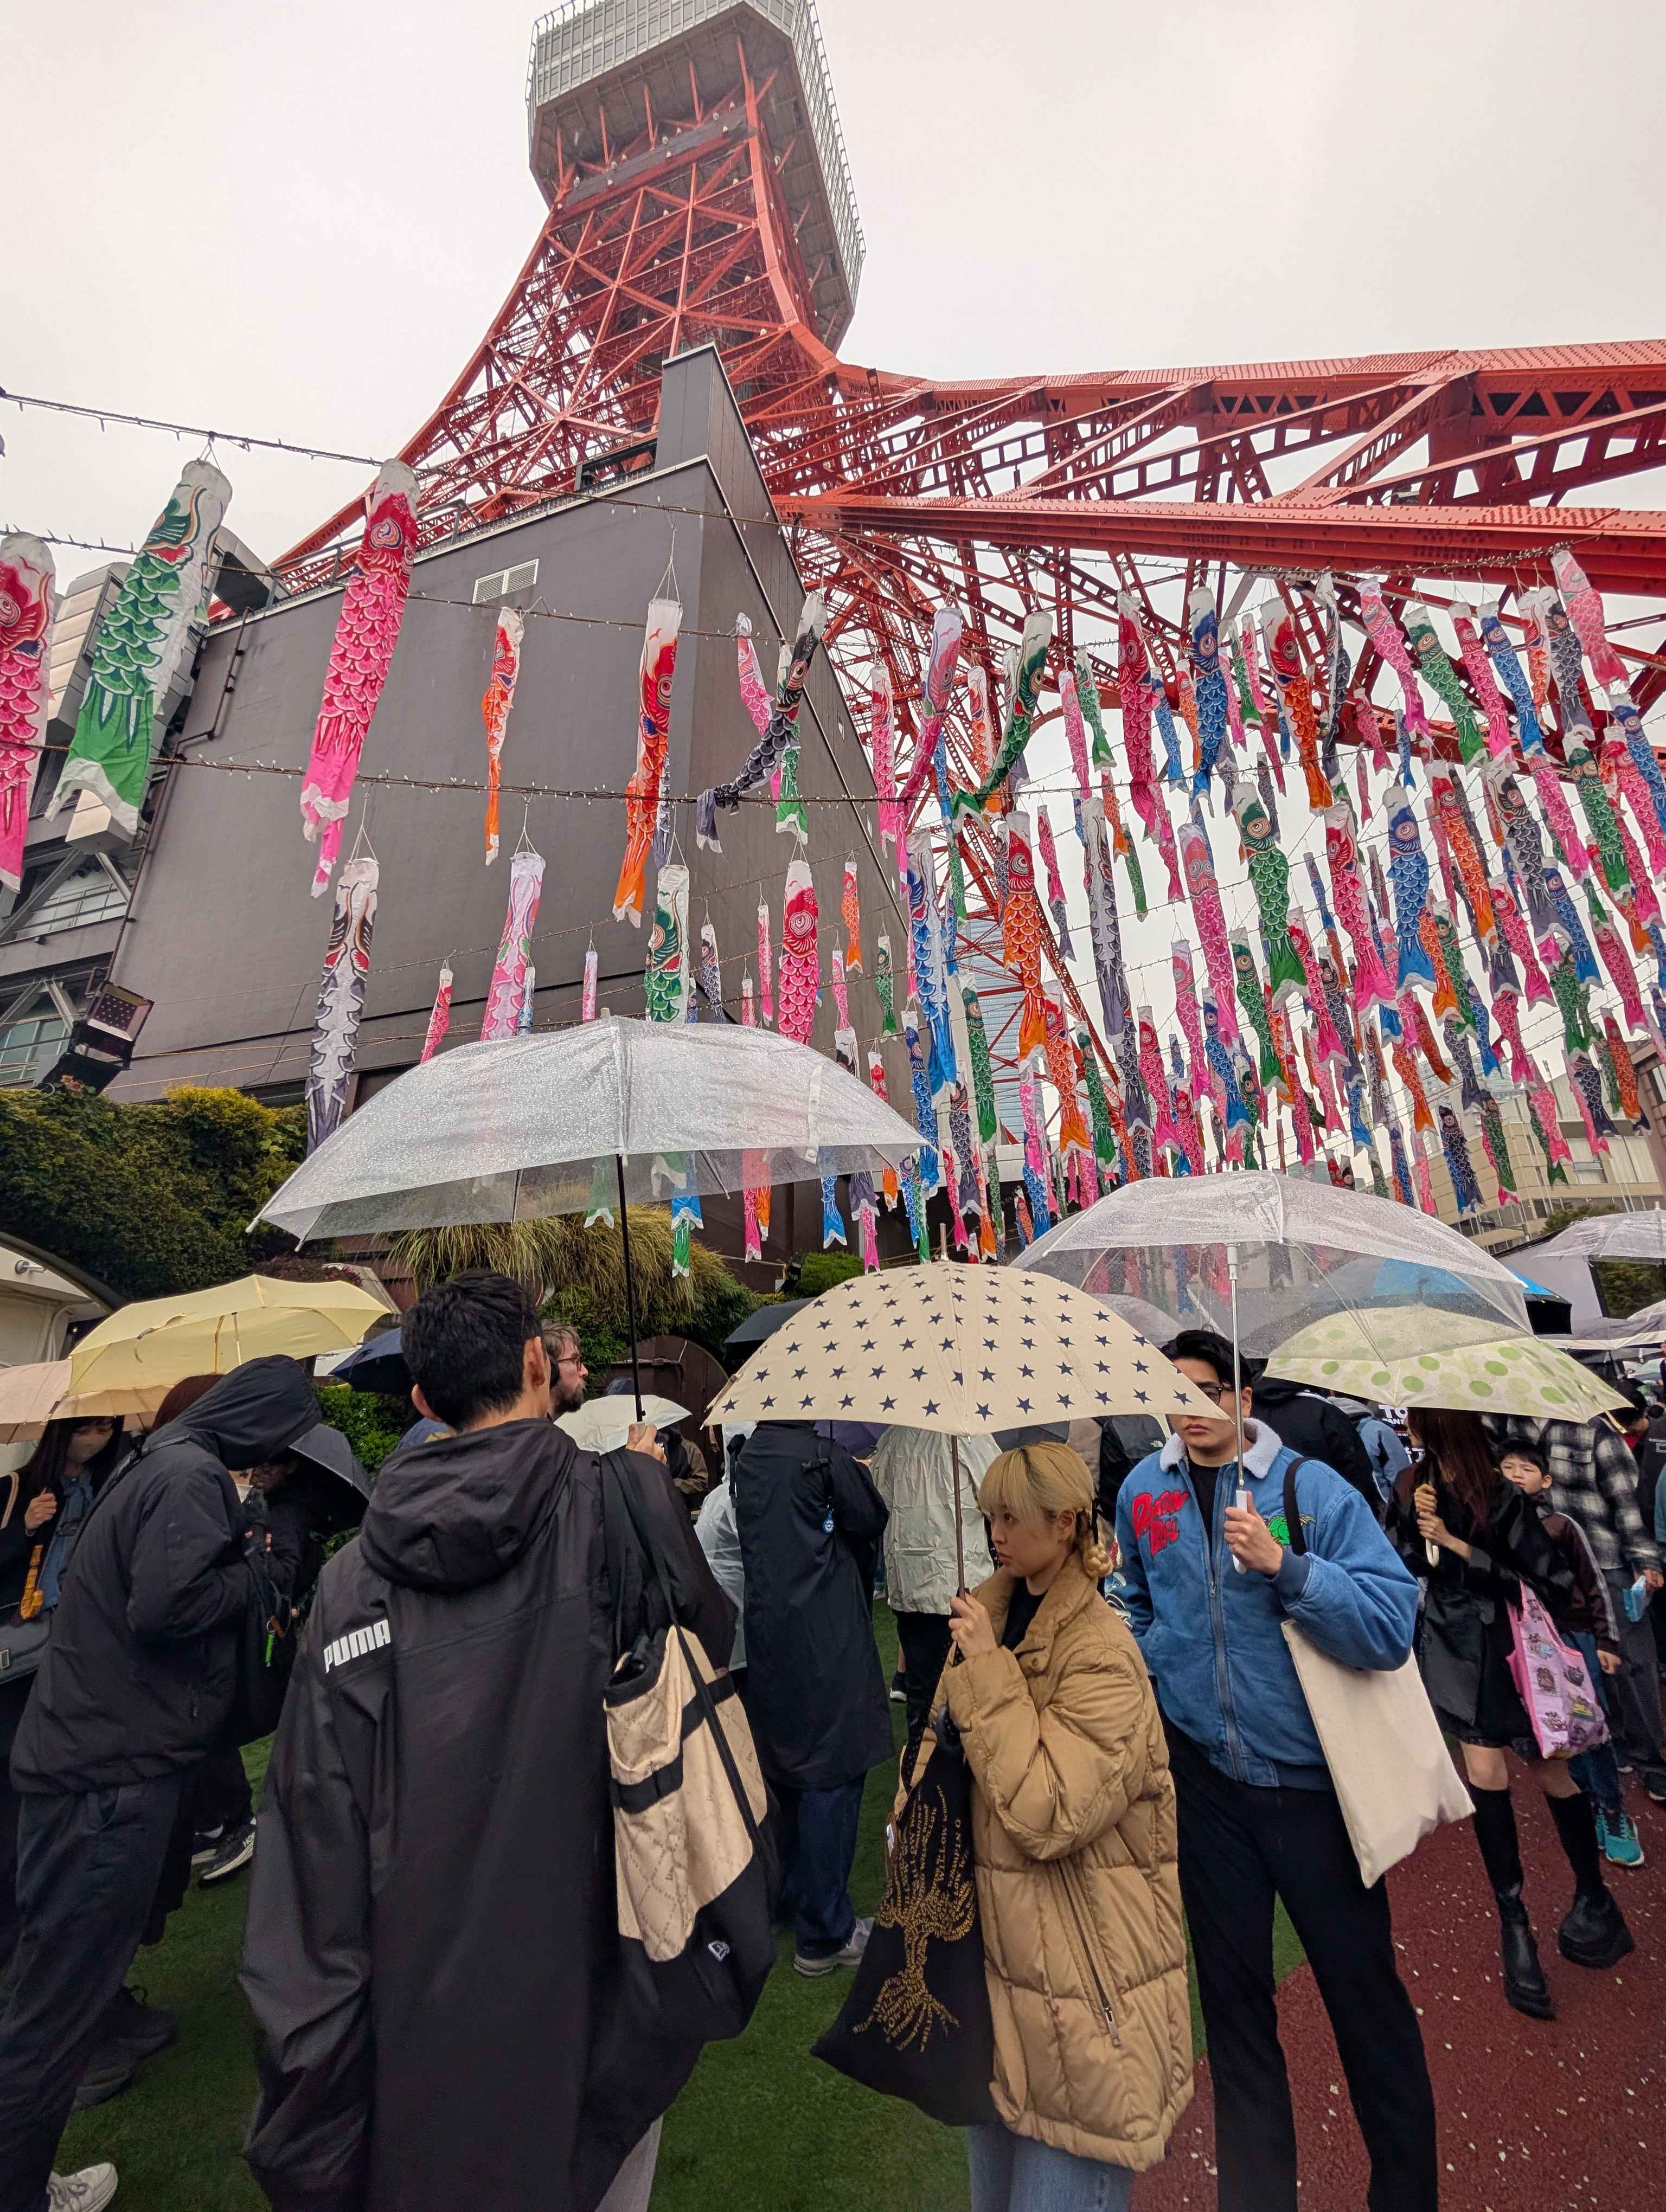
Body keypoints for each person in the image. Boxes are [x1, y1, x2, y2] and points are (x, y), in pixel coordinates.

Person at [240, 1271, 734, 2212]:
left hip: (426, 2002)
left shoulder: (348, 1580)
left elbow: (314, 1828)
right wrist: (643, 1493)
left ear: (424, 1400)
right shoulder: (609, 1506)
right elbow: (707, 1653)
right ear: (536, 1363)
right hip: (604, 1957)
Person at [1116, 1329, 1436, 2212]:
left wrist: (1285, 1567)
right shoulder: (1145, 1490)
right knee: (1234, 2013)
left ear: (1244, 1398)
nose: (1193, 1407)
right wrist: (1152, 1651)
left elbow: (1387, 1622)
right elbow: (1134, 1597)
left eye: (1210, 1390)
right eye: (1174, 1391)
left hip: (1308, 1791)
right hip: (1206, 1789)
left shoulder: (1308, 1489)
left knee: (1362, 2002)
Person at [0, 1356, 328, 2212]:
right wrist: (259, 1567)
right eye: (285, 1442)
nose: (283, 1459)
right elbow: (168, 1608)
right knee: (55, 2010)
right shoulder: (188, 1476)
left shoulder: (164, 1459)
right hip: (107, 1778)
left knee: (55, 1993)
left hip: (86, 1762)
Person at [936, 1441, 1191, 2210]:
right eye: (990, 1517)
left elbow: (1049, 1813)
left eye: (1012, 1518)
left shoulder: (1104, 1654)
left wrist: (983, 1675)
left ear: (1068, 1520)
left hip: (1086, 1995)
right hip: (994, 1978)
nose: (997, 1535)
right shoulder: (995, 1614)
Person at [1387, 1412, 1633, 2018]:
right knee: (1485, 1772)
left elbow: (1545, 1582)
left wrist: (1455, 1543)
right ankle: (1514, 1920)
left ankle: (1592, 1893)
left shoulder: (1501, 1493)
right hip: (1454, 1648)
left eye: (1420, 1419)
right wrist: (1418, 1533)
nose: (1411, 1427)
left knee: (1552, 1767)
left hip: (1516, 1650)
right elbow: (1407, 1565)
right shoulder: (1410, 1482)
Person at [731, 1418, 890, 1977]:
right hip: (826, 1634)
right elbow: (870, 1519)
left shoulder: (746, 1457)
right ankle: (825, 1929)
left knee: (786, 1764)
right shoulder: (821, 1457)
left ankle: (793, 1897)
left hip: (772, 1632)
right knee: (832, 1768)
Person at [1485, 1410, 1665, 1803]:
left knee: (1632, 1663)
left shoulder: (1595, 1432)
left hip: (1604, 1559)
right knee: (1577, 1670)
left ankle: (1652, 1760)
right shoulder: (1508, 1427)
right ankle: (1608, 1747)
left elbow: (1626, 1502)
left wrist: (1645, 1561)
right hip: (1545, 1572)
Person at [0, 1418, 126, 1975]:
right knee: (17, 1782)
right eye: (87, 1429)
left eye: (106, 1429)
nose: (96, 1438)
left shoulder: (108, 1485)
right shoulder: (16, 1489)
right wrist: (23, 1530)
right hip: (19, 1660)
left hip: (75, 1645)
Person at [1496, 1444, 1644, 1872]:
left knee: (1591, 1724)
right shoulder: (1493, 1530)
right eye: (1506, 1468)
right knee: (1556, 1727)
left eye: (1526, 1469)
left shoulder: (1561, 1525)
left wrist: (1607, 1641)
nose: (1515, 1475)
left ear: (1546, 1481)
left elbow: (1593, 1583)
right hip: (1532, 1644)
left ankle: (1614, 1811)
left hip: (1576, 1636)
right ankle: (1583, 1800)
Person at [868, 1424, 997, 1746]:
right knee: (966, 1693)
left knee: (923, 1692)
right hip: (959, 1587)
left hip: (911, 1590)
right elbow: (998, 1494)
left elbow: (878, 1498)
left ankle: (919, 1769)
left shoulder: (892, 1439)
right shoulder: (969, 1435)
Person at [1242, 1366, 1382, 1513]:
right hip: (1325, 1514)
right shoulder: (1326, 1412)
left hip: (1259, 1516)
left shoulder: (1245, 1414)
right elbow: (1359, 1476)